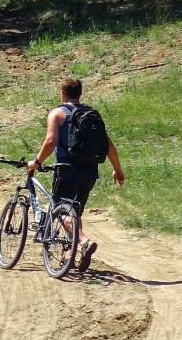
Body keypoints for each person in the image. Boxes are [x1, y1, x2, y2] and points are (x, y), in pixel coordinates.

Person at [30, 77, 125, 270]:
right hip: (90, 171)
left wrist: (37, 162)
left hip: (67, 169)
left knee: (59, 209)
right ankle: (69, 254)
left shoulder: (57, 114)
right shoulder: (90, 114)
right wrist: (117, 169)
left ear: (62, 93)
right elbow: (107, 144)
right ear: (79, 93)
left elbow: (50, 141)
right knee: (75, 212)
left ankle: (84, 242)